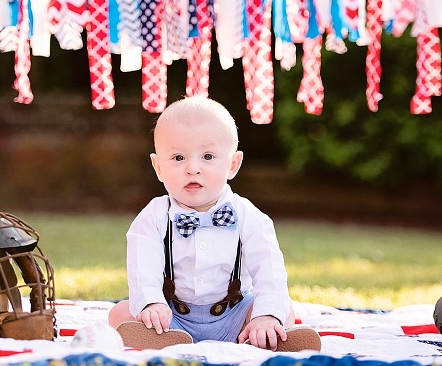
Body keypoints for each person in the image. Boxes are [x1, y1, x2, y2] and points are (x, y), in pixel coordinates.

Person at [108, 96, 321, 352]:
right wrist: (152, 304)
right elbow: (143, 268)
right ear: (158, 167)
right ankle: (163, 338)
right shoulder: (152, 217)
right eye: (178, 158)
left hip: (235, 314)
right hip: (172, 316)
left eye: (208, 156)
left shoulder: (249, 216)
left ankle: (261, 333)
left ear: (233, 164)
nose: (192, 168)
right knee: (120, 313)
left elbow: (270, 272)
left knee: (281, 307)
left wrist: (266, 315)